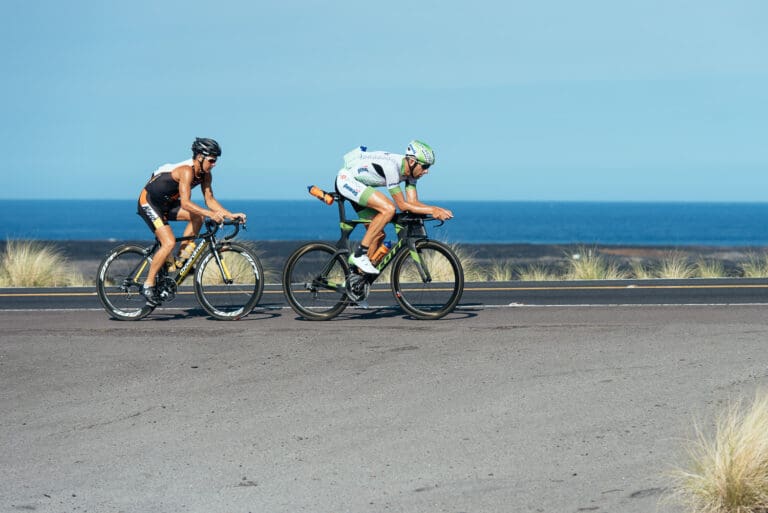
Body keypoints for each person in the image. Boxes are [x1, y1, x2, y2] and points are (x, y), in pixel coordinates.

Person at [136, 137, 246, 305]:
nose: (214, 164)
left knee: (198, 216)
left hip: (167, 203)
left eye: (216, 160)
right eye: (212, 160)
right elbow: (186, 203)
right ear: (200, 157)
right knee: (168, 242)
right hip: (149, 202)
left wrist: (230, 215)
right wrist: (211, 214)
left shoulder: (205, 175)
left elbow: (210, 200)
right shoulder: (186, 171)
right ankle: (148, 284)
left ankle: (181, 258)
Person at [335, 139, 453, 274]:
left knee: (378, 235)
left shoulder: (412, 173)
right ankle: (359, 254)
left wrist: (437, 209)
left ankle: (356, 279)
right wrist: (433, 211)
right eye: (425, 166)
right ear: (413, 162)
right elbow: (402, 206)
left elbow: (413, 203)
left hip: (360, 185)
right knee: (389, 209)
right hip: (347, 180)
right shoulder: (392, 168)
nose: (426, 171)